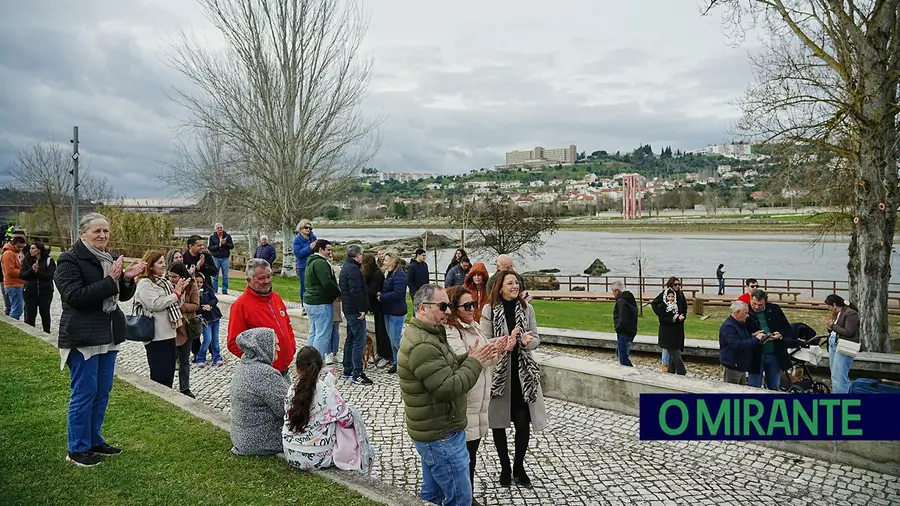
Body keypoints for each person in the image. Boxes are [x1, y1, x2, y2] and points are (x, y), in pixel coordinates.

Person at [54, 213, 146, 467]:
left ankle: (94, 440)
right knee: (84, 393)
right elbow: (75, 297)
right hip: (83, 335)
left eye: (106, 231)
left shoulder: (111, 259)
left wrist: (127, 280)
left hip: (109, 335)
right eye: (97, 231)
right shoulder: (69, 260)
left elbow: (122, 296)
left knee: (102, 391)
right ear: (82, 233)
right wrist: (112, 280)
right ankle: (77, 448)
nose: (103, 235)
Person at [398, 284, 499, 506]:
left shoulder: (430, 335)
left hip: (437, 430)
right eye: (443, 306)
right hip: (441, 434)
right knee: (460, 500)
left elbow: (446, 368)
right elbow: (447, 387)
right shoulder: (423, 344)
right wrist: (475, 362)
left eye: (449, 306)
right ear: (423, 308)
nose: (448, 311)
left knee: (432, 495)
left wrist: (470, 358)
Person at [479, 270, 547, 489]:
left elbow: (536, 338)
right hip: (500, 374)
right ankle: (505, 467)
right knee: (499, 423)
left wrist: (527, 341)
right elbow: (486, 341)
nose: (515, 286)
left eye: (516, 282)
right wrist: (506, 341)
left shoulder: (527, 309)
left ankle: (519, 466)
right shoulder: (489, 310)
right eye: (510, 283)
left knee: (522, 424)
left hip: (523, 375)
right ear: (500, 287)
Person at [282, 346, 375, 472]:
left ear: (297, 370)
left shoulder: (291, 390)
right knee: (348, 419)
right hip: (318, 458)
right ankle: (360, 457)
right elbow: (346, 420)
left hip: (291, 452)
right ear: (320, 368)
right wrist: (331, 388)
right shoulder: (328, 393)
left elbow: (311, 396)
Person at [444, 286, 495, 505]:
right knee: (464, 454)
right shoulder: (451, 331)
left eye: (473, 304)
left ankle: (466, 494)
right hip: (467, 398)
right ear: (453, 309)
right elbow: (461, 361)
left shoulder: (475, 328)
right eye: (467, 305)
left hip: (480, 397)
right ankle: (463, 497)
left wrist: (498, 349)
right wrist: (483, 355)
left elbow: (484, 361)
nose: (472, 309)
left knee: (471, 451)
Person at [227, 259, 296, 378]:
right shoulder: (241, 306)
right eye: (261, 278)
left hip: (284, 371)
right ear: (249, 280)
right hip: (263, 374)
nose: (267, 281)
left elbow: (287, 325)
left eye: (269, 276)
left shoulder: (276, 297)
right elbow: (233, 343)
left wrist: (292, 348)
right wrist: (258, 362)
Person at [230, 327, 290, 456]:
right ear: (263, 347)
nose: (278, 348)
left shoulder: (245, 365)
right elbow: (287, 408)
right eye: (275, 345)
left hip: (242, 437)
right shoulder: (265, 373)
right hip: (259, 441)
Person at [135, 250, 189, 389]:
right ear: (151, 265)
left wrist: (180, 292)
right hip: (156, 335)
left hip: (170, 333)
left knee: (169, 373)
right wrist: (175, 294)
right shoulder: (145, 283)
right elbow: (155, 304)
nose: (164, 265)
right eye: (160, 262)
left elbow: (175, 303)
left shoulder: (163, 281)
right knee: (160, 374)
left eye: (164, 262)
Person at [746, 289, 792, 390]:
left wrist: (780, 335)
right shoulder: (745, 311)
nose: (756, 307)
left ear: (765, 302)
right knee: (754, 387)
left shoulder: (774, 309)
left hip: (774, 354)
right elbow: (739, 333)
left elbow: (787, 328)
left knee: (774, 386)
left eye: (760, 305)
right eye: (754, 304)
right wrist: (753, 336)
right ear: (750, 299)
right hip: (755, 356)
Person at [339, 244, 371, 385]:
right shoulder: (353, 269)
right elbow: (355, 290)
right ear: (357, 255)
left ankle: (347, 369)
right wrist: (361, 308)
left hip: (348, 309)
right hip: (355, 311)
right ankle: (357, 373)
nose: (362, 257)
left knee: (350, 339)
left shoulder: (346, 267)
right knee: (359, 342)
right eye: (361, 255)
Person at [304, 240, 341, 362]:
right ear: (320, 250)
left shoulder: (311, 262)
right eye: (328, 250)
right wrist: (337, 294)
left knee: (314, 332)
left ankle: (308, 358)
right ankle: (317, 361)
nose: (330, 253)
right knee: (323, 334)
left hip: (310, 301)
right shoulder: (320, 263)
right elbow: (327, 282)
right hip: (320, 302)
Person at [169, 262, 200, 398]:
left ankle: (185, 387)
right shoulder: (166, 286)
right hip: (170, 327)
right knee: (169, 360)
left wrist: (181, 305)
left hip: (185, 327)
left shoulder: (191, 285)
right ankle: (166, 385)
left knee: (184, 360)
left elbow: (195, 305)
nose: (172, 279)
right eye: (170, 276)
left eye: (175, 277)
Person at [719, 300, 766, 385]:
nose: (747, 316)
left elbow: (742, 339)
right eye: (746, 313)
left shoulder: (740, 324)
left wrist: (753, 336)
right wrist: (756, 339)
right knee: (731, 392)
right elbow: (736, 344)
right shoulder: (728, 326)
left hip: (741, 365)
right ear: (737, 312)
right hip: (733, 366)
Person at [824, 294, 860, 394]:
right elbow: (837, 329)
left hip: (844, 345)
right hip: (834, 344)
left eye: (829, 306)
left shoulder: (851, 313)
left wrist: (832, 325)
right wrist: (830, 326)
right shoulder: (838, 313)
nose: (829, 309)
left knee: (839, 375)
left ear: (834, 304)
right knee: (834, 374)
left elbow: (849, 332)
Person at [651, 279, 688, 375]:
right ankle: (680, 371)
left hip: (678, 327)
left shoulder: (680, 295)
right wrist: (666, 316)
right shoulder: (664, 295)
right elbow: (655, 305)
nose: (677, 286)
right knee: (673, 351)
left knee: (674, 351)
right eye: (675, 284)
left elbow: (684, 308)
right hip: (667, 329)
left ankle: (671, 371)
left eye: (679, 284)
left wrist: (681, 317)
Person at [379, 253, 408, 373]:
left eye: (386, 260)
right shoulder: (390, 274)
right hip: (388, 310)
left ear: (393, 262)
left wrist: (382, 297)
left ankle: (406, 360)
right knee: (392, 339)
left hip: (397, 312)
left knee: (396, 339)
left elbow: (398, 293)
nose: (384, 262)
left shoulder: (400, 275)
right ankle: (397, 362)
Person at [362, 253, 391, 368]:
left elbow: (372, 290)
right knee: (378, 331)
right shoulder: (370, 273)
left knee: (383, 333)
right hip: (375, 306)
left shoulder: (377, 274)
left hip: (380, 306)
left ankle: (387, 355)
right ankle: (381, 352)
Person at [20, 241, 56, 333]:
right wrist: (31, 270)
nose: (30, 250)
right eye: (30, 248)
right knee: (30, 314)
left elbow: (52, 275)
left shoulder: (48, 261)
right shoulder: (26, 260)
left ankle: (47, 333)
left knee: (45, 313)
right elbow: (22, 275)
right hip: (29, 292)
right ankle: (30, 333)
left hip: (45, 292)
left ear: (39, 250)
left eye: (33, 248)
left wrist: (38, 272)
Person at [194, 272, 224, 367]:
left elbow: (214, 299)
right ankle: (200, 357)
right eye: (197, 282)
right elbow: (195, 307)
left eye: (201, 282)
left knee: (215, 339)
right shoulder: (193, 293)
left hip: (214, 316)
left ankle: (217, 357)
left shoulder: (207, 290)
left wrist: (210, 305)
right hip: (204, 319)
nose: (199, 284)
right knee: (207, 339)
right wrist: (203, 308)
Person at [292, 219, 317, 309]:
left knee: (314, 285)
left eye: (310, 228)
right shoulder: (297, 240)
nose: (308, 230)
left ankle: (313, 304)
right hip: (303, 266)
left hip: (314, 265)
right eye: (306, 227)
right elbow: (298, 254)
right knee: (304, 286)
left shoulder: (313, 238)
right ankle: (304, 306)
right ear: (301, 228)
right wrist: (309, 248)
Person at [612, 281, 638, 367]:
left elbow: (622, 317)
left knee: (623, 358)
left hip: (624, 332)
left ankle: (630, 374)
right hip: (631, 330)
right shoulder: (629, 299)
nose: (612, 293)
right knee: (620, 353)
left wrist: (618, 328)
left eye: (613, 291)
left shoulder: (621, 301)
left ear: (617, 291)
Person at [2, 236, 27, 320]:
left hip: (16, 284)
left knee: (13, 308)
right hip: (13, 284)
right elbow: (10, 271)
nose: (20, 249)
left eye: (22, 247)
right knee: (17, 310)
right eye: (18, 247)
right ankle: (14, 324)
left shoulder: (16, 253)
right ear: (13, 244)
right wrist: (24, 273)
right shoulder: (9, 254)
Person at [208, 223, 235, 295]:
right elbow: (210, 248)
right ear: (216, 229)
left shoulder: (227, 236)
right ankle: (214, 290)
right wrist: (218, 245)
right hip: (216, 258)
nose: (220, 229)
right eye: (218, 228)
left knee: (225, 276)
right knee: (215, 275)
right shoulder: (212, 237)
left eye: (221, 228)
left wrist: (225, 244)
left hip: (225, 258)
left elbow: (231, 246)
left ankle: (225, 290)